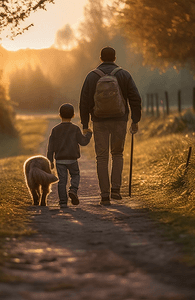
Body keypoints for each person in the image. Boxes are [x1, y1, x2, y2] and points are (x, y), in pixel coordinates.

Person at [79, 46, 142, 206]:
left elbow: (84, 102)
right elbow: (135, 98)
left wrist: (85, 124)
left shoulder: (91, 76)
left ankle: (105, 195)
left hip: (99, 121)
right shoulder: (124, 74)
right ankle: (116, 190)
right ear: (115, 58)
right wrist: (135, 120)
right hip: (120, 119)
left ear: (100, 58)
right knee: (117, 154)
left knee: (101, 157)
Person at [47, 103, 93, 209]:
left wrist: (50, 161)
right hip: (72, 160)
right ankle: (73, 190)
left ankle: (63, 202)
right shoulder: (75, 129)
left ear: (60, 115)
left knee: (62, 181)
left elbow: (51, 148)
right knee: (75, 175)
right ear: (73, 115)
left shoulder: (55, 129)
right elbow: (83, 142)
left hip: (60, 161)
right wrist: (89, 134)